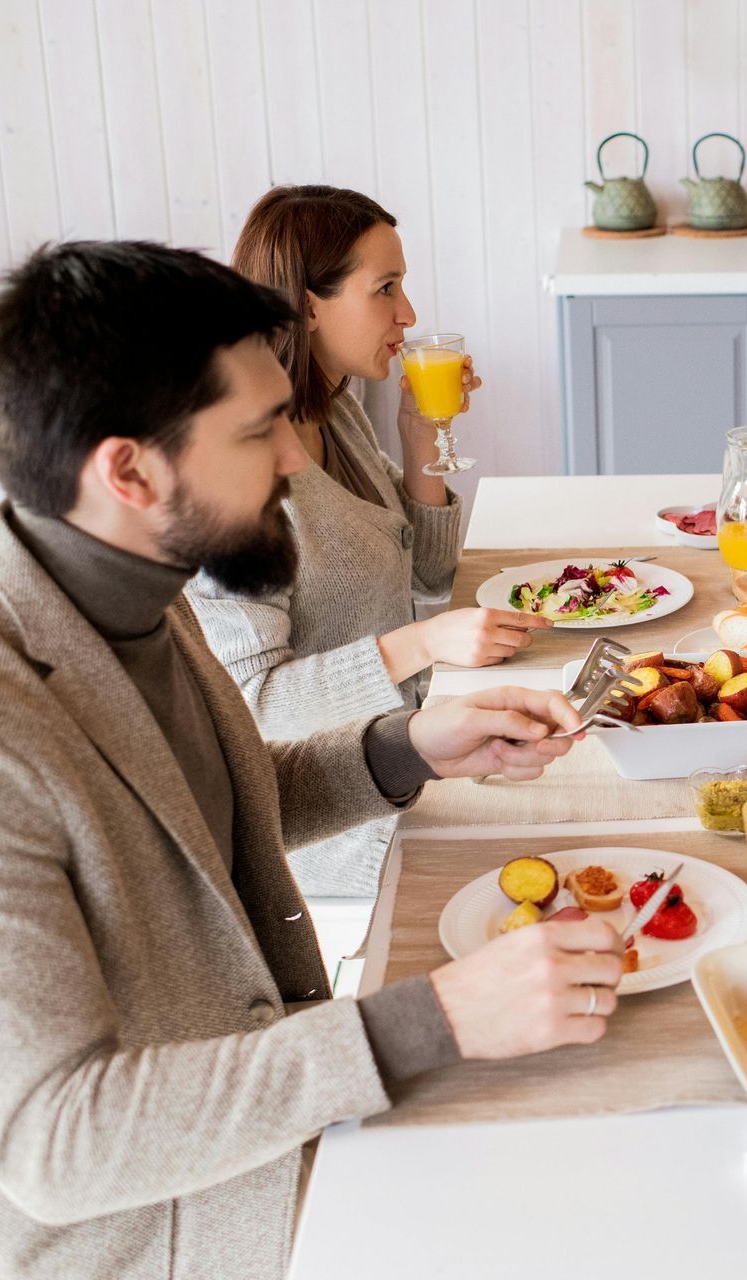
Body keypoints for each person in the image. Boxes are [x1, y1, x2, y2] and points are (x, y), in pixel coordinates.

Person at [0, 240, 626, 1280]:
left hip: (280, 1111)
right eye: (260, 432)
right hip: (161, 1230)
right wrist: (422, 1020)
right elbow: (54, 1138)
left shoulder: (125, 585)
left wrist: (406, 747)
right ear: (127, 467)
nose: (296, 461)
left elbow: (200, 818)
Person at [187, 184, 551, 897]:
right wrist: (422, 644)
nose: (408, 313)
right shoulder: (235, 474)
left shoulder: (335, 413)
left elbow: (427, 578)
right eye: (385, 288)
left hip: (420, 740)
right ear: (308, 303)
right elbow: (253, 707)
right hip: (343, 825)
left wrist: (420, 439)